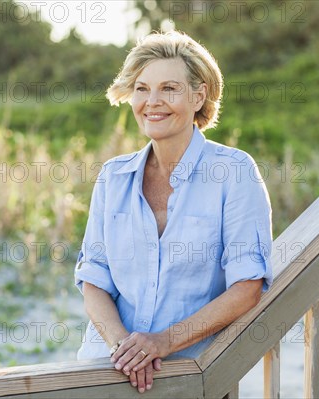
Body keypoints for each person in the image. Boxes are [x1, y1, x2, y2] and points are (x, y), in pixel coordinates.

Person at [74, 31, 273, 394]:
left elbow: (247, 287)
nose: (152, 102)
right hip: (107, 369)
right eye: (142, 88)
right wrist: (125, 349)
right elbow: (93, 279)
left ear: (198, 97)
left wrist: (162, 342)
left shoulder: (234, 172)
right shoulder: (113, 177)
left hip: (190, 372)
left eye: (169, 88)